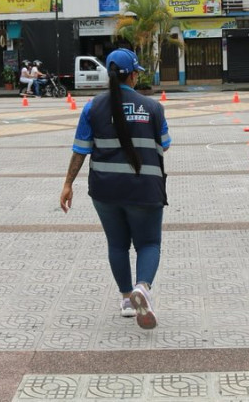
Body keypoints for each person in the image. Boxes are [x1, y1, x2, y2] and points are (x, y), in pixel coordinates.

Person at [60, 49, 170, 329]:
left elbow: (81, 149)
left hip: (105, 190)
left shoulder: (92, 107)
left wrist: (68, 184)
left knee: (117, 244)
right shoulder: (153, 108)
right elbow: (165, 144)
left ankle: (126, 300)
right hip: (145, 189)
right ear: (132, 75)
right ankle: (142, 287)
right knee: (148, 243)